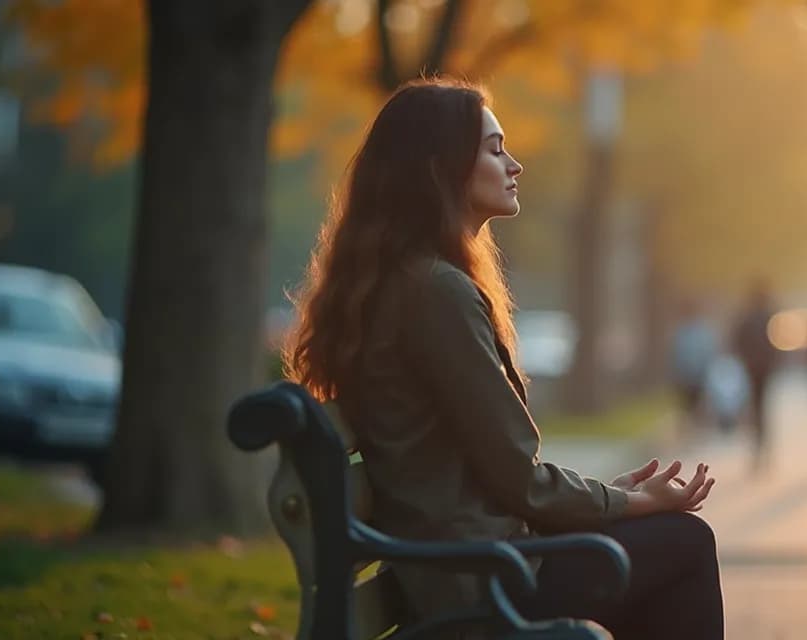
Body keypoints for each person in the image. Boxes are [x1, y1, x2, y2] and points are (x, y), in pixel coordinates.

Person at [282, 77, 723, 637]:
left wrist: (620, 498)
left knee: (661, 552)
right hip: (482, 578)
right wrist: (628, 503)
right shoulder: (436, 292)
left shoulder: (412, 281)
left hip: (472, 564)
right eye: (494, 149)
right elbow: (520, 480)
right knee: (685, 543)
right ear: (441, 168)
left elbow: (497, 474)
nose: (514, 165)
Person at [732, 279, 780, 473]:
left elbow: (737, 340)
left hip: (753, 367)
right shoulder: (768, 317)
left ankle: (759, 448)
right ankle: (762, 447)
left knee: (756, 406)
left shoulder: (748, 318)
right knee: (762, 407)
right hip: (762, 368)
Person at [670, 298, 720, 431]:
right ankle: (691, 426)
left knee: (695, 402)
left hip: (697, 374)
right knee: (687, 404)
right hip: (687, 374)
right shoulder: (684, 331)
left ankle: (695, 425)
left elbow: (709, 353)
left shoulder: (698, 331)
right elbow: (676, 354)